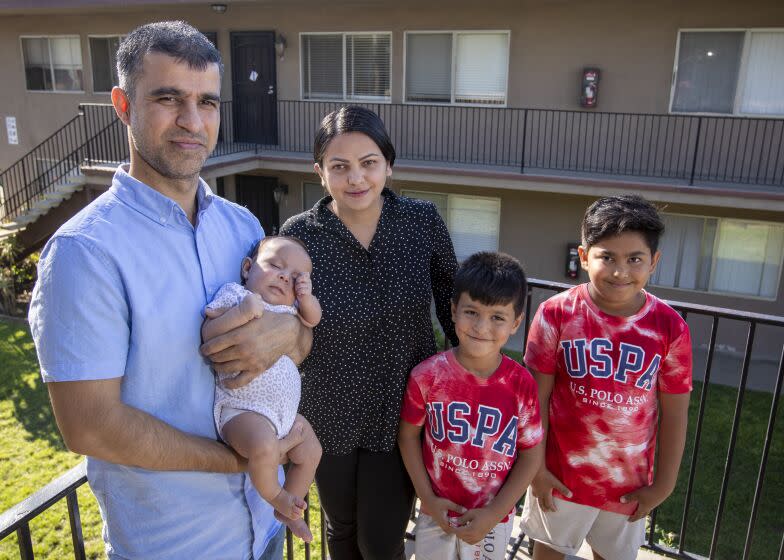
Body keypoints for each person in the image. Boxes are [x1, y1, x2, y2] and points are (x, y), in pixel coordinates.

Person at [28, 21, 310, 559]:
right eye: (168, 98)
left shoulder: (244, 227)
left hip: (266, 532)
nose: (192, 121)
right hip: (177, 546)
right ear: (122, 103)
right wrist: (237, 457)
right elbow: (92, 426)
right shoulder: (85, 252)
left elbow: (297, 343)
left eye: (207, 102)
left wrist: (289, 330)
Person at [279, 105, 459, 559]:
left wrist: (470, 390)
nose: (355, 178)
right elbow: (281, 325)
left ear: (388, 165)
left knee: (380, 543)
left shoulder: (421, 223)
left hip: (402, 414)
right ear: (320, 172)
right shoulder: (299, 236)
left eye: (369, 163)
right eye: (340, 167)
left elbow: (454, 309)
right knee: (341, 531)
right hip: (327, 412)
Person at [520, 195, 692, 560]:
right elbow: (536, 402)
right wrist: (536, 470)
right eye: (607, 257)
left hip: (627, 488)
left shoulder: (670, 327)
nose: (620, 271)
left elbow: (675, 413)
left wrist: (662, 486)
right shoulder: (556, 314)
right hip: (560, 478)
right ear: (584, 257)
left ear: (653, 263)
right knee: (546, 554)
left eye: (634, 259)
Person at [398, 252, 545, 560]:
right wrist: (427, 498)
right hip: (436, 511)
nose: (481, 326)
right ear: (453, 311)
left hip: (493, 518)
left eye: (497, 317)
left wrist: (494, 513)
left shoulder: (521, 385)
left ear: (516, 322)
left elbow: (531, 453)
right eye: (471, 312)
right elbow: (408, 435)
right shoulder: (426, 376)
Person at [208, 235, 322, 543]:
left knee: (312, 450)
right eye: (275, 266)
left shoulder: (292, 311)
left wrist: (306, 298)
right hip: (242, 409)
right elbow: (210, 330)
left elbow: (314, 318)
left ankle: (289, 512)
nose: (285, 276)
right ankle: (276, 497)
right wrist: (244, 312)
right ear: (247, 268)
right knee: (264, 447)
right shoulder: (236, 295)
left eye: (297, 277)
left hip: (282, 415)